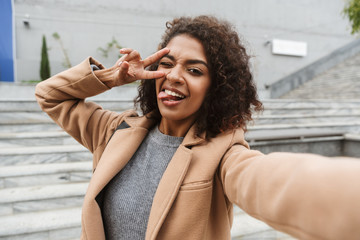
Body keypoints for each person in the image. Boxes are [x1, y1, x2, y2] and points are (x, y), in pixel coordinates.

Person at [35, 15, 360, 240]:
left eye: (194, 69)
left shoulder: (223, 154)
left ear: (216, 88)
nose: (174, 75)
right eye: (166, 64)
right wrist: (114, 76)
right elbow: (50, 95)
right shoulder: (114, 130)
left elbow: (271, 182)